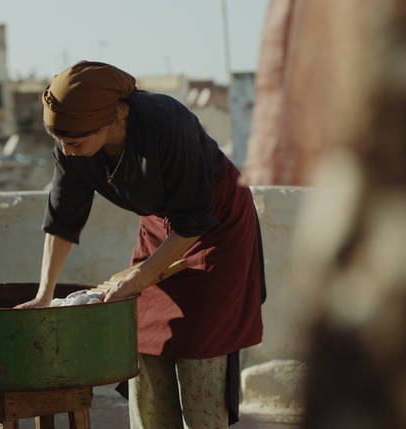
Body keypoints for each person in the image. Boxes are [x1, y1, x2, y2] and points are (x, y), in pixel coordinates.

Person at [16, 61, 265, 428]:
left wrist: (137, 280)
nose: (67, 152)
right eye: (62, 143)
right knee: (145, 342)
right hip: (158, 229)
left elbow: (194, 220)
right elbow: (63, 220)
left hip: (216, 228)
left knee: (202, 343)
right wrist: (44, 293)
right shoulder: (73, 147)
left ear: (114, 119)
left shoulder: (167, 122)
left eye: (75, 143)